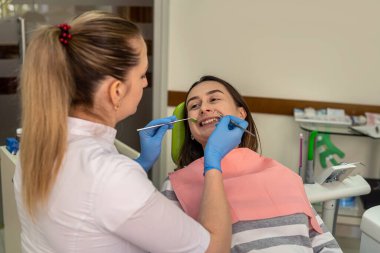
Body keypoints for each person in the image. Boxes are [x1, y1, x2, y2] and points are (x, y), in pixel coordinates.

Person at [14, 11, 249, 253]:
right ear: (116, 91)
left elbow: (95, 203)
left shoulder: (36, 148)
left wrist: (142, 163)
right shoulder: (112, 176)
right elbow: (215, 250)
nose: (146, 83)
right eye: (141, 75)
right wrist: (212, 162)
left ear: (241, 112)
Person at [162, 75, 343, 253]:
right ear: (190, 131)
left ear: (241, 114)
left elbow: (323, 242)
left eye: (214, 99)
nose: (204, 108)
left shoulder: (283, 175)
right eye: (194, 106)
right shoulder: (176, 186)